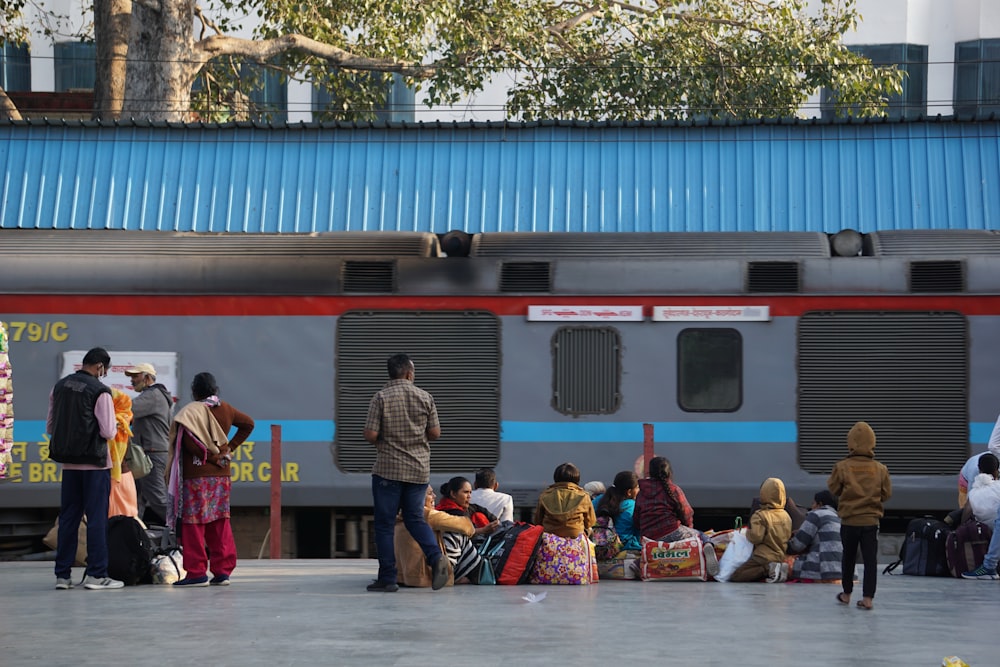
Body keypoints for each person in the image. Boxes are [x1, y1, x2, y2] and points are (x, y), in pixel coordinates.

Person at [364, 353, 449, 593]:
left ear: (391, 373)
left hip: (388, 470)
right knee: (415, 519)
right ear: (410, 373)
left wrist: (385, 437)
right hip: (418, 470)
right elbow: (435, 433)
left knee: (384, 525)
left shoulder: (380, 397)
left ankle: (388, 578)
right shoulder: (425, 397)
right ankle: (435, 558)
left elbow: (370, 434)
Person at [47, 346, 124, 590]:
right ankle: (96, 575)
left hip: (69, 466)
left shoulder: (59, 387)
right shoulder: (101, 391)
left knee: (69, 518)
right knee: (96, 519)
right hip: (95, 466)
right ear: (100, 367)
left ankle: (62, 575)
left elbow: (51, 427)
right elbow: (109, 431)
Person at [168, 372, 254, 587]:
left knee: (193, 523)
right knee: (219, 520)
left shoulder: (190, 412)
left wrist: (211, 457)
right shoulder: (225, 408)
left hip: (197, 476)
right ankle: (222, 571)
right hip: (221, 475)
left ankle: (196, 572)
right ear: (215, 390)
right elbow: (248, 424)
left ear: (194, 391)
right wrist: (229, 449)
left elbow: (190, 444)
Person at [828, 421, 892, 609]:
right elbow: (887, 494)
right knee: (870, 560)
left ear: (851, 443)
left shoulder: (842, 467)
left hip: (849, 521)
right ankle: (868, 599)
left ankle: (846, 594)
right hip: (871, 521)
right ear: (872, 442)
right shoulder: (881, 469)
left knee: (848, 558)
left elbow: (833, 488)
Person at [395, 486, 476, 587]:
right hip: (425, 578)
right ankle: (474, 573)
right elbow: (468, 527)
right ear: (417, 497)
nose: (434, 496)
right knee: (456, 534)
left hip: (402, 577)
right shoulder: (426, 515)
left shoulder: (399, 516)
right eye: (430, 493)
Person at [124, 362, 173, 526]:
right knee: (136, 500)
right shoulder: (154, 395)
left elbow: (128, 408)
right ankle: (135, 536)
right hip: (150, 454)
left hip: (152, 454)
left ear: (146, 378)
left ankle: (183, 532)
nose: (132, 380)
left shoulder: (153, 395)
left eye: (135, 376)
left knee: (158, 499)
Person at [729, 477, 793, 583]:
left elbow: (755, 538)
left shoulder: (760, 515)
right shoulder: (786, 516)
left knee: (737, 575)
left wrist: (747, 532)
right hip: (780, 555)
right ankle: (776, 568)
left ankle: (768, 569)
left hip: (763, 556)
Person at [435, 477, 497, 582]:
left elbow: (477, 508)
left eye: (470, 493)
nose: (469, 496)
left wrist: (493, 519)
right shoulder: (453, 513)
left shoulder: (450, 506)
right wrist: (482, 530)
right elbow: (466, 530)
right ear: (453, 494)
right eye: (465, 492)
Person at [634, 456, 697, 543]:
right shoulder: (674, 489)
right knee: (701, 536)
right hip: (673, 532)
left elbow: (637, 520)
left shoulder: (641, 493)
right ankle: (708, 548)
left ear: (650, 472)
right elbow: (687, 513)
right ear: (669, 472)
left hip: (649, 539)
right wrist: (688, 528)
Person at [786, 490, 842, 583]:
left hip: (824, 572)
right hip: (848, 574)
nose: (811, 507)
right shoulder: (839, 518)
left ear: (819, 504)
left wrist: (782, 543)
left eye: (813, 503)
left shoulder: (816, 514)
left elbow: (797, 545)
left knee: (785, 563)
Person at [961, 453, 1000, 580]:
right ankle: (989, 566)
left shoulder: (973, 493)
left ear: (979, 469)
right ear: (997, 471)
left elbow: (966, 514)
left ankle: (988, 567)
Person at [534, 462, 596, 538]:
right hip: (576, 538)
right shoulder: (583, 496)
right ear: (577, 479)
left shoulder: (544, 496)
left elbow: (537, 521)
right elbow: (590, 522)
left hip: (550, 539)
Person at [108, 389, 139, 518]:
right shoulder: (126, 422)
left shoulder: (111, 424)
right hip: (127, 478)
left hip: (113, 478)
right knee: (129, 514)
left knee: (113, 515)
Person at [594, 470, 642, 550]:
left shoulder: (599, 499)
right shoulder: (632, 505)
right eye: (637, 487)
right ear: (629, 492)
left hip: (598, 547)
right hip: (626, 547)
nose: (639, 490)